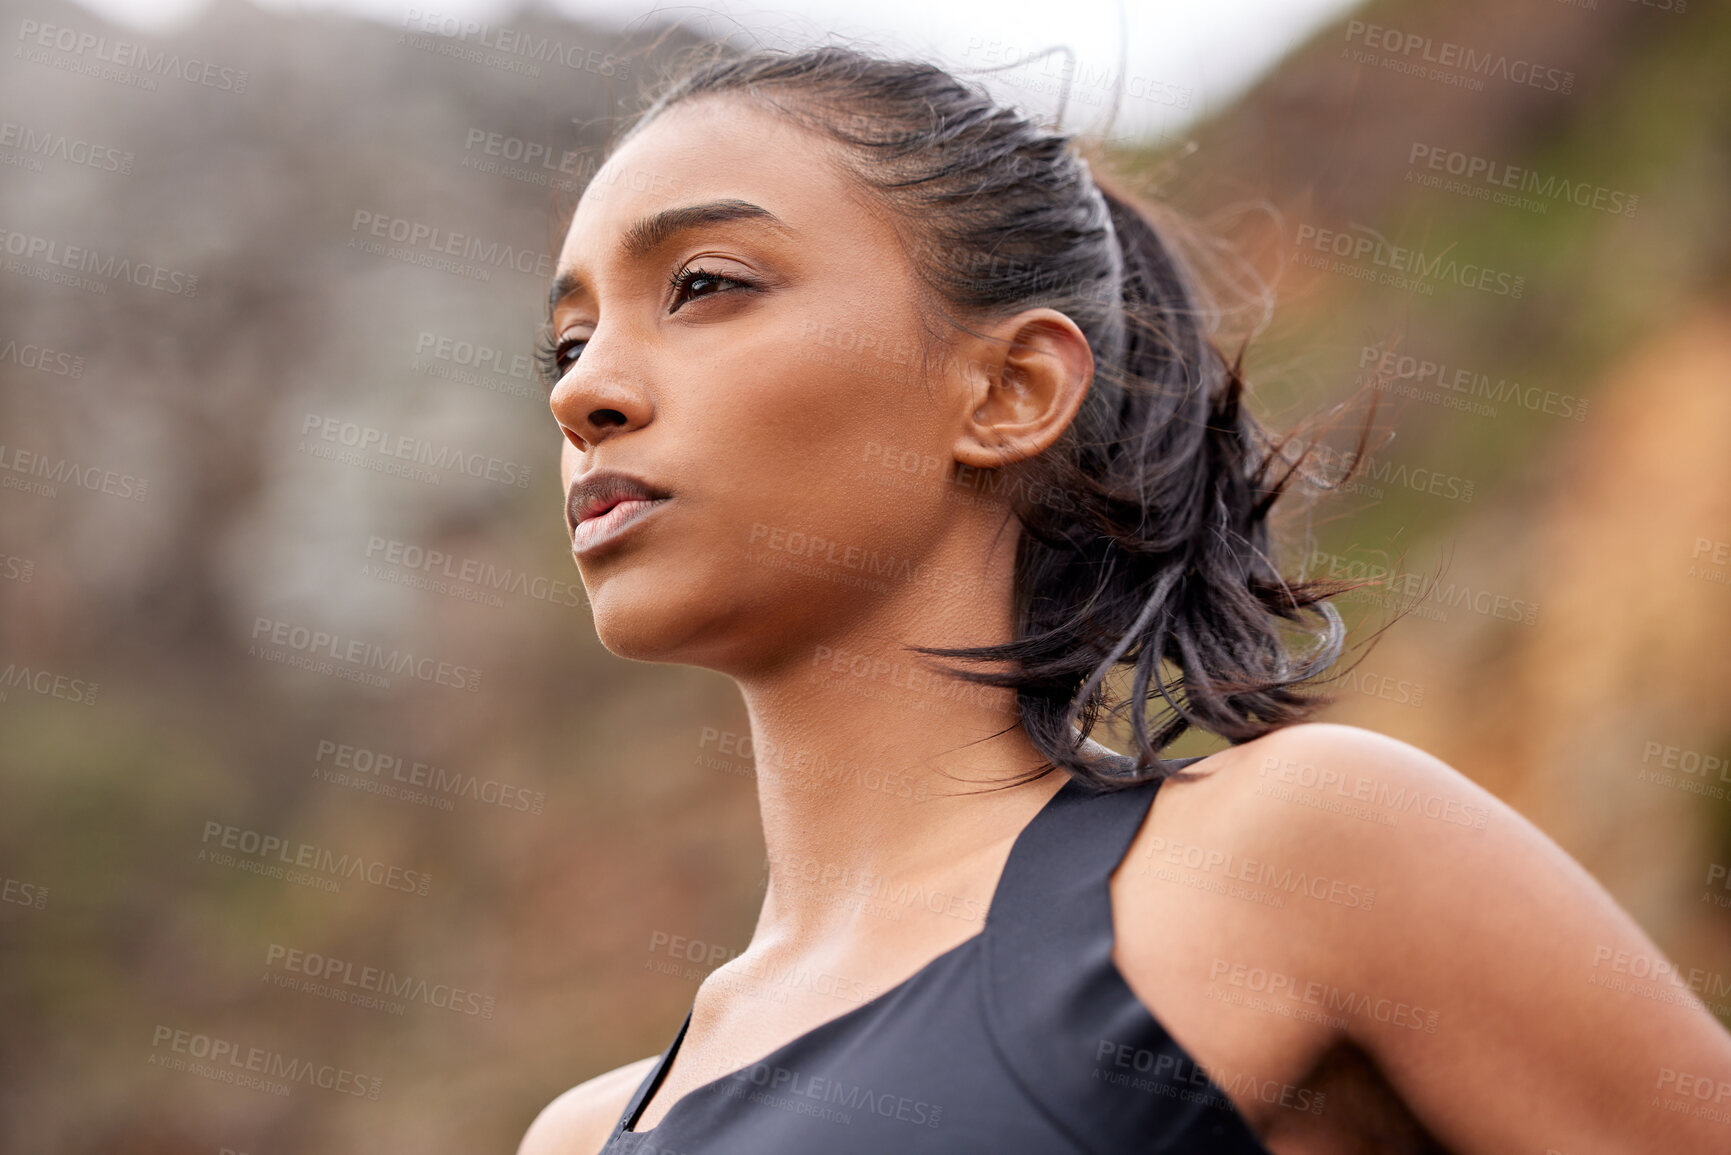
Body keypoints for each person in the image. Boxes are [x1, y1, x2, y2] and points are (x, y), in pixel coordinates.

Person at [518, 43, 1731, 1154]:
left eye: (705, 285)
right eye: (567, 345)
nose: (587, 395)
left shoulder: (1300, 855)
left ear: (1009, 389)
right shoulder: (585, 1135)